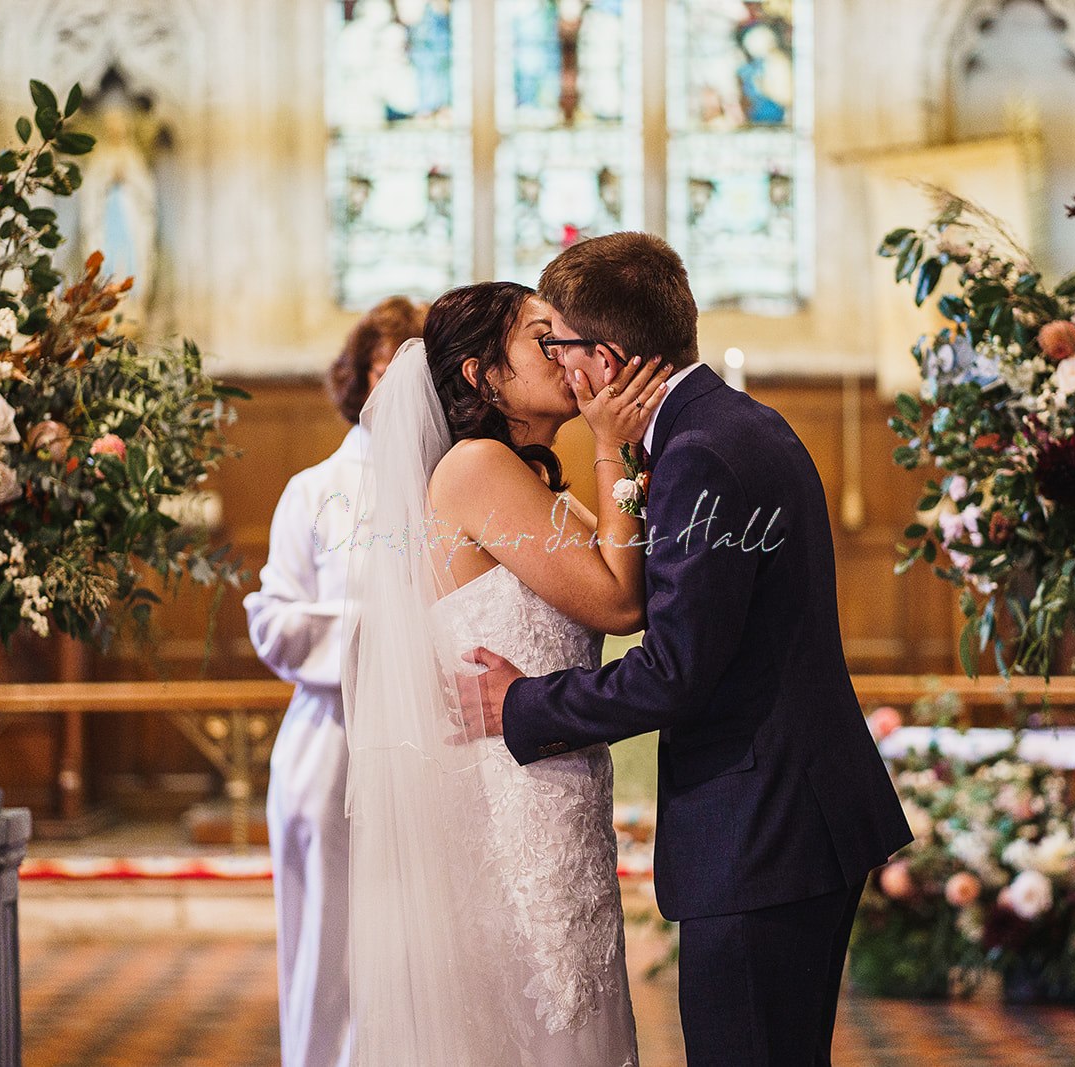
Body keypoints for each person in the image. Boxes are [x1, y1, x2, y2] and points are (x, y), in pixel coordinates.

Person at [462, 232, 914, 1066]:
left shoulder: (699, 454)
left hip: (763, 827)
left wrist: (523, 703)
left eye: (558, 343)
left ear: (601, 357)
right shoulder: (731, 423)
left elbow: (676, 670)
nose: (557, 365)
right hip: (792, 813)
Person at [342, 281, 669, 1065]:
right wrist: (611, 444)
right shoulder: (476, 467)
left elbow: (636, 575)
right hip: (513, 797)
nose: (566, 353)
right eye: (540, 337)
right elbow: (621, 601)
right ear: (481, 376)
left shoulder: (528, 478)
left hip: (554, 778)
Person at [245, 295, 426, 1067]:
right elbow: (274, 622)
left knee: (416, 942)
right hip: (331, 742)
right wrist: (377, 630)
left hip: (423, 743)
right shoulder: (313, 490)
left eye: (413, 371)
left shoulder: (448, 485)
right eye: (384, 368)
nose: (395, 389)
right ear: (359, 378)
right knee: (328, 940)